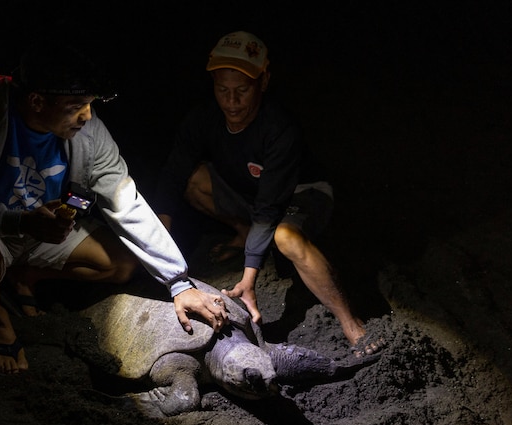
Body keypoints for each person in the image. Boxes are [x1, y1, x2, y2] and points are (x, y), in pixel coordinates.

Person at [0, 40, 228, 376]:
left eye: (90, 104)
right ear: (37, 101)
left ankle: (25, 276)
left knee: (125, 261)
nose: (87, 115)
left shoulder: (90, 129)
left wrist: (178, 282)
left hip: (44, 229)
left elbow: (124, 199)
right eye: (77, 105)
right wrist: (18, 221)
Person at [152, 31, 384, 358]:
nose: (232, 102)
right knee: (192, 180)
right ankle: (245, 234)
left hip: (301, 193)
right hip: (254, 194)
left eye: (242, 91)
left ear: (263, 81)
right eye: (223, 90)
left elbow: (269, 207)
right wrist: (158, 253)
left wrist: (249, 280)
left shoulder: (279, 127)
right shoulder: (202, 119)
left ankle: (351, 322)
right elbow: (171, 178)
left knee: (285, 237)